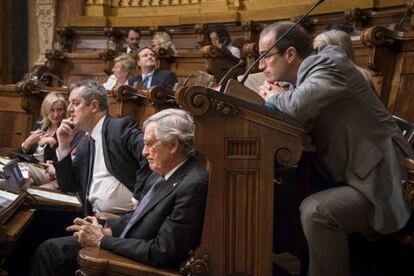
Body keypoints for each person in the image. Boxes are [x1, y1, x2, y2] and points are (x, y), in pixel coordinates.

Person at [258, 21, 413, 276]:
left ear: (290, 54)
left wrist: (273, 98)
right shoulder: (308, 74)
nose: (261, 65)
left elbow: (298, 106)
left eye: (266, 56)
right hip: (352, 175)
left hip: (383, 179)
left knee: (316, 211)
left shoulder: (327, 64)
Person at [30, 108, 209, 276]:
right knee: (48, 245)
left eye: (149, 144)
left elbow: (162, 251)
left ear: (173, 145)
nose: (144, 152)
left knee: (50, 252)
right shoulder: (164, 169)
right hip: (121, 241)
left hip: (135, 262)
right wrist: (105, 229)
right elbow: (137, 216)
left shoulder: (193, 183)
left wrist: (102, 240)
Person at [54, 79, 151, 216]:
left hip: (124, 218)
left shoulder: (119, 128)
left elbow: (151, 155)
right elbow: (68, 185)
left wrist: (138, 198)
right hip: (92, 216)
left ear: (94, 106)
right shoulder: (85, 143)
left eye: (76, 103)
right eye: (70, 103)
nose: (69, 109)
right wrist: (63, 146)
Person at [18, 92, 67, 185]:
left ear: (64, 111)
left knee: (20, 177)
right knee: (22, 180)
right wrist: (27, 143)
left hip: (46, 171)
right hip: (29, 166)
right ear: (46, 110)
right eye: (52, 110)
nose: (55, 114)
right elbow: (19, 156)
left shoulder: (65, 129)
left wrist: (52, 143)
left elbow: (60, 163)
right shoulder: (40, 125)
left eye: (59, 110)